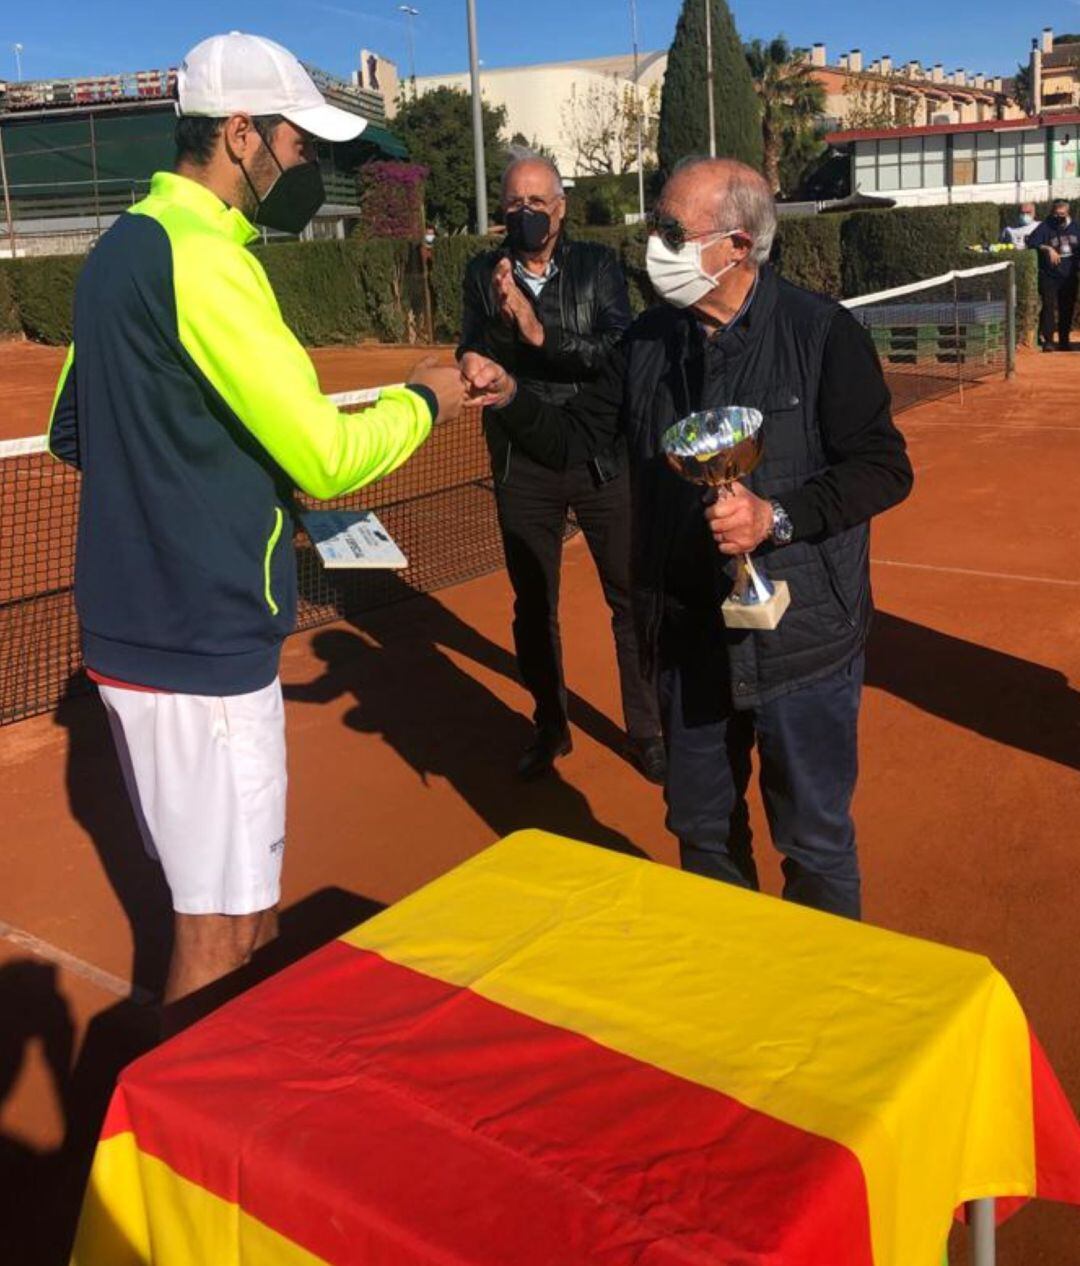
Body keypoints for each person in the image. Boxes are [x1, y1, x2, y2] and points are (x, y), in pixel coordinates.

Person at [47, 32, 463, 1004]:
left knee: (237, 909)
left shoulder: (119, 251)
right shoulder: (207, 263)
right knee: (221, 933)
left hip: (134, 634)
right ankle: (173, 1149)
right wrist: (428, 398)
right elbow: (324, 454)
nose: (309, 164)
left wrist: (195, 471)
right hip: (203, 639)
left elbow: (75, 430)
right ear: (241, 136)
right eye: (299, 143)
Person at [462, 158, 914, 919]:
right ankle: (736, 989)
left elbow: (883, 468)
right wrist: (511, 394)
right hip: (685, 640)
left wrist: (775, 517)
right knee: (702, 833)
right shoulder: (645, 343)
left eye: (672, 231)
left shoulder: (822, 334)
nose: (654, 246)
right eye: (654, 228)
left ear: (736, 246)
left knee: (814, 843)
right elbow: (578, 440)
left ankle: (831, 1009)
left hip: (802, 645)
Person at [458, 156, 664, 782]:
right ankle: (550, 723)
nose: (525, 214)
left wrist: (537, 329)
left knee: (630, 596)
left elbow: (617, 350)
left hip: (600, 454)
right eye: (513, 204)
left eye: (536, 202)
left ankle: (648, 729)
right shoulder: (479, 272)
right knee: (533, 603)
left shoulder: (598, 267)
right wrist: (479, 351)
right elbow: (470, 343)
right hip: (524, 458)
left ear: (561, 206)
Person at [1028, 199, 1080, 352]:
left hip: (1069, 276)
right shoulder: (1046, 225)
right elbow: (1031, 242)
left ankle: (1064, 341)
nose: (1059, 217)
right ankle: (1049, 341)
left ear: (1067, 213)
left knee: (1067, 308)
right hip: (1049, 275)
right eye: (1056, 214)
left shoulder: (1076, 227)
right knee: (1048, 307)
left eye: (1062, 214)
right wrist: (1048, 249)